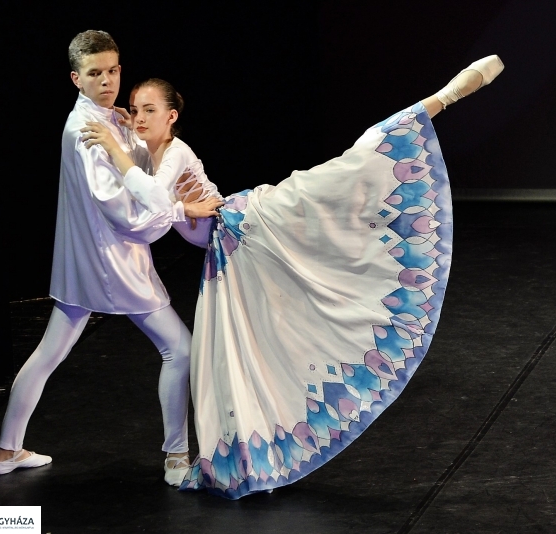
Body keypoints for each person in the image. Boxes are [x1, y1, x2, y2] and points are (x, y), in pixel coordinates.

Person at [84, 55, 504, 499]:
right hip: (230, 250)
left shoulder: (174, 152)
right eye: (135, 109)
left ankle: (443, 98)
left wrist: (120, 150)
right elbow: (140, 187)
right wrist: (118, 131)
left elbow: (151, 194)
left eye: (150, 109)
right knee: (249, 352)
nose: (139, 117)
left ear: (171, 117)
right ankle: (261, 456)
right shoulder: (144, 152)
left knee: (343, 173)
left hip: (247, 224)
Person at [0, 30, 223, 487]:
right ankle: (176, 455)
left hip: (88, 262)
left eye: (113, 70)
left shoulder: (105, 118)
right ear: (76, 78)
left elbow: (134, 170)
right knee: (179, 349)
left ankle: (6, 450)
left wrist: (131, 133)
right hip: (112, 262)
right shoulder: (88, 132)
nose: (107, 81)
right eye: (95, 73)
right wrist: (182, 210)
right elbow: (125, 214)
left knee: (48, 353)